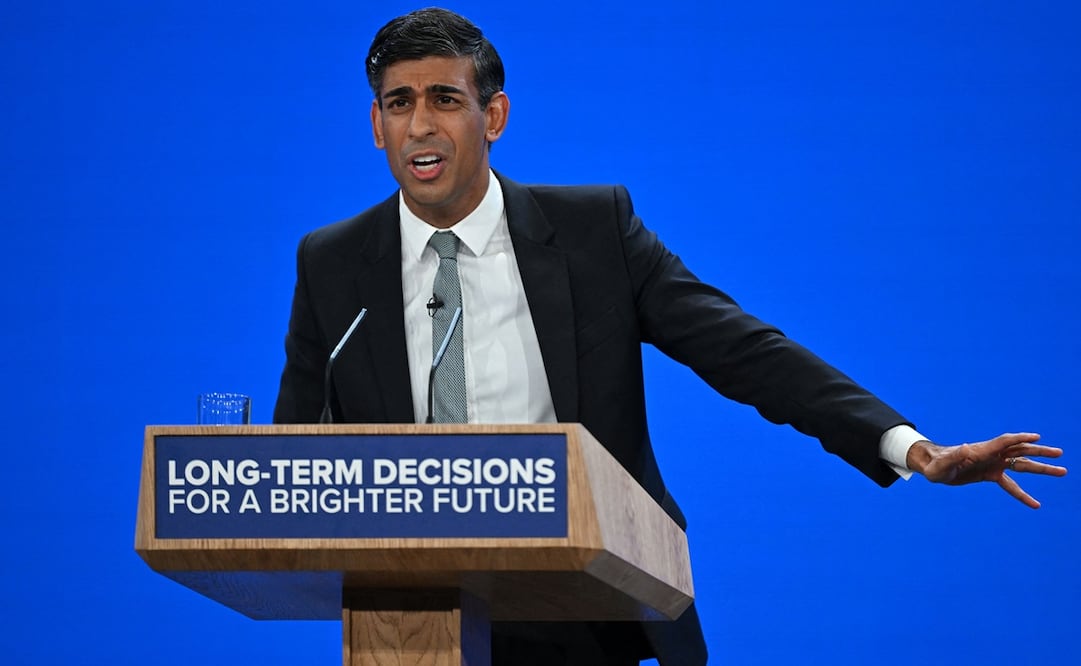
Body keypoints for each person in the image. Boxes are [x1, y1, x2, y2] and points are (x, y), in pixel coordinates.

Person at [273, 8, 1067, 665]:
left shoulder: (591, 233)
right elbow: (294, 457)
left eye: (445, 98)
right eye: (399, 101)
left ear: (495, 115)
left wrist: (912, 449)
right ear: (375, 125)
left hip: (595, 607)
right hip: (412, 623)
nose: (422, 123)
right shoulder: (333, 264)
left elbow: (744, 351)